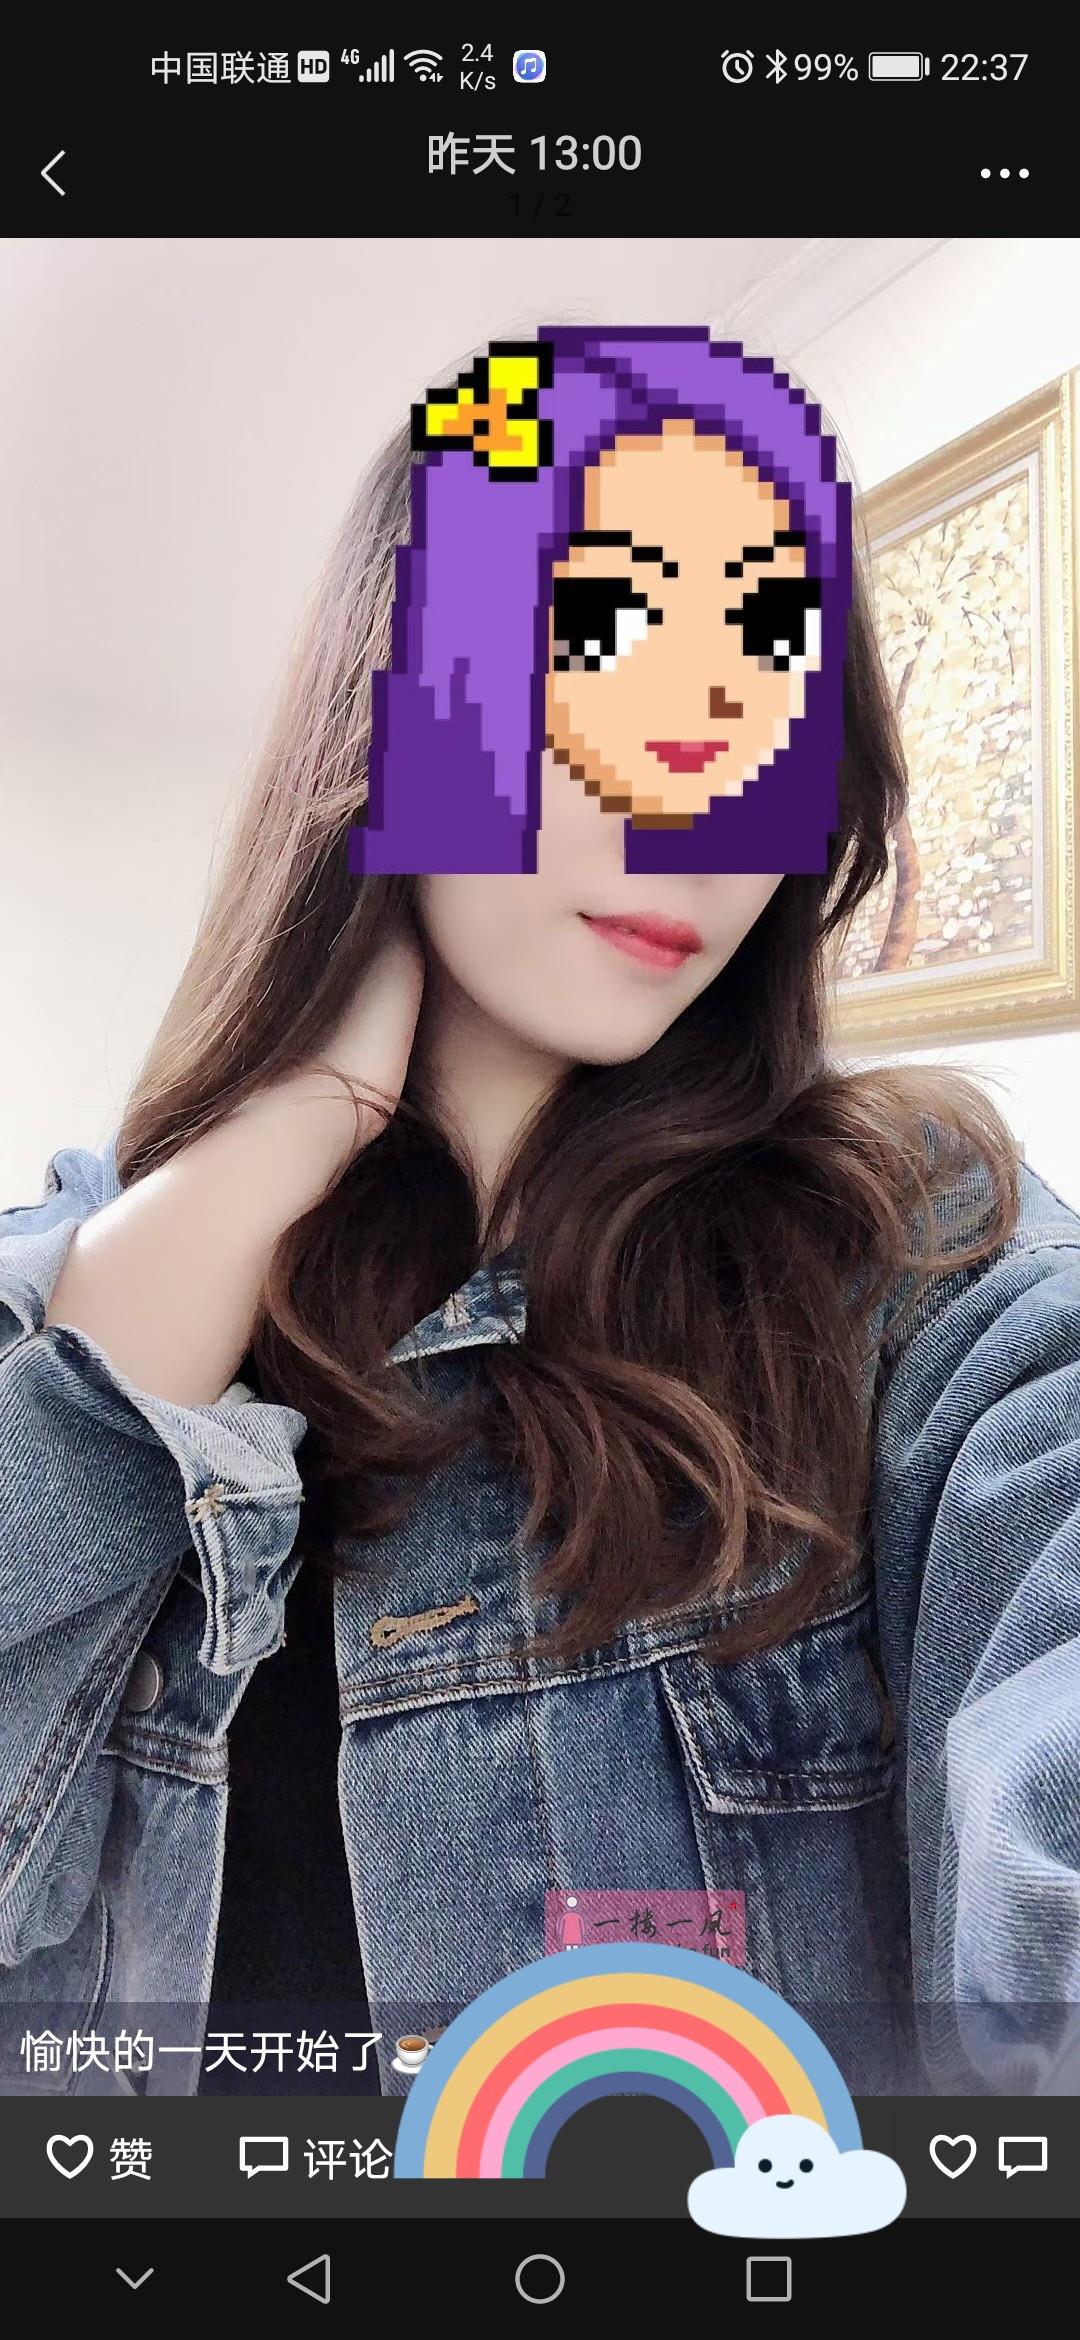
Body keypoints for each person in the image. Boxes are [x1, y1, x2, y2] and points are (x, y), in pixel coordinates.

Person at [2, 329, 1079, 2105]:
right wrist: (282, 1138)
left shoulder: (908, 1257)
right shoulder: (105, 1268)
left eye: (772, 692)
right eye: (608, 637)